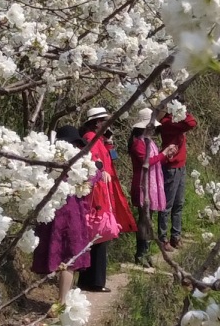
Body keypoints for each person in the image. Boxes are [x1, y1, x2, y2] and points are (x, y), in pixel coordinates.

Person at [31, 125, 97, 306]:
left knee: (61, 254)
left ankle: (62, 300)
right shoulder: (79, 161)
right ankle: (62, 301)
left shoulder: (50, 161)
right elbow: (92, 178)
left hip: (52, 212)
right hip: (71, 212)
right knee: (69, 257)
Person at [77, 107, 135, 292]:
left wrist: (110, 143)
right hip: (98, 194)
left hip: (103, 192)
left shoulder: (99, 140)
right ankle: (94, 280)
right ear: (97, 122)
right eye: (105, 121)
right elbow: (92, 163)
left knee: (99, 235)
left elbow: (110, 160)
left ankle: (93, 279)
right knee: (99, 234)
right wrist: (101, 172)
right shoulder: (90, 138)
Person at [128, 108, 177, 267]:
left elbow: (155, 160)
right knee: (144, 219)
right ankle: (141, 253)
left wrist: (165, 154)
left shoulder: (149, 141)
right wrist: (164, 154)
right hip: (143, 185)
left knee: (149, 219)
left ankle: (146, 252)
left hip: (152, 184)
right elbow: (147, 162)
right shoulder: (138, 143)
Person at [158, 96, 197, 251]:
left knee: (179, 204)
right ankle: (163, 238)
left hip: (180, 166)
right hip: (171, 167)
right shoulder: (168, 122)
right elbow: (191, 123)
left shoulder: (176, 121)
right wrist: (182, 111)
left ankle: (176, 235)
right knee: (167, 205)